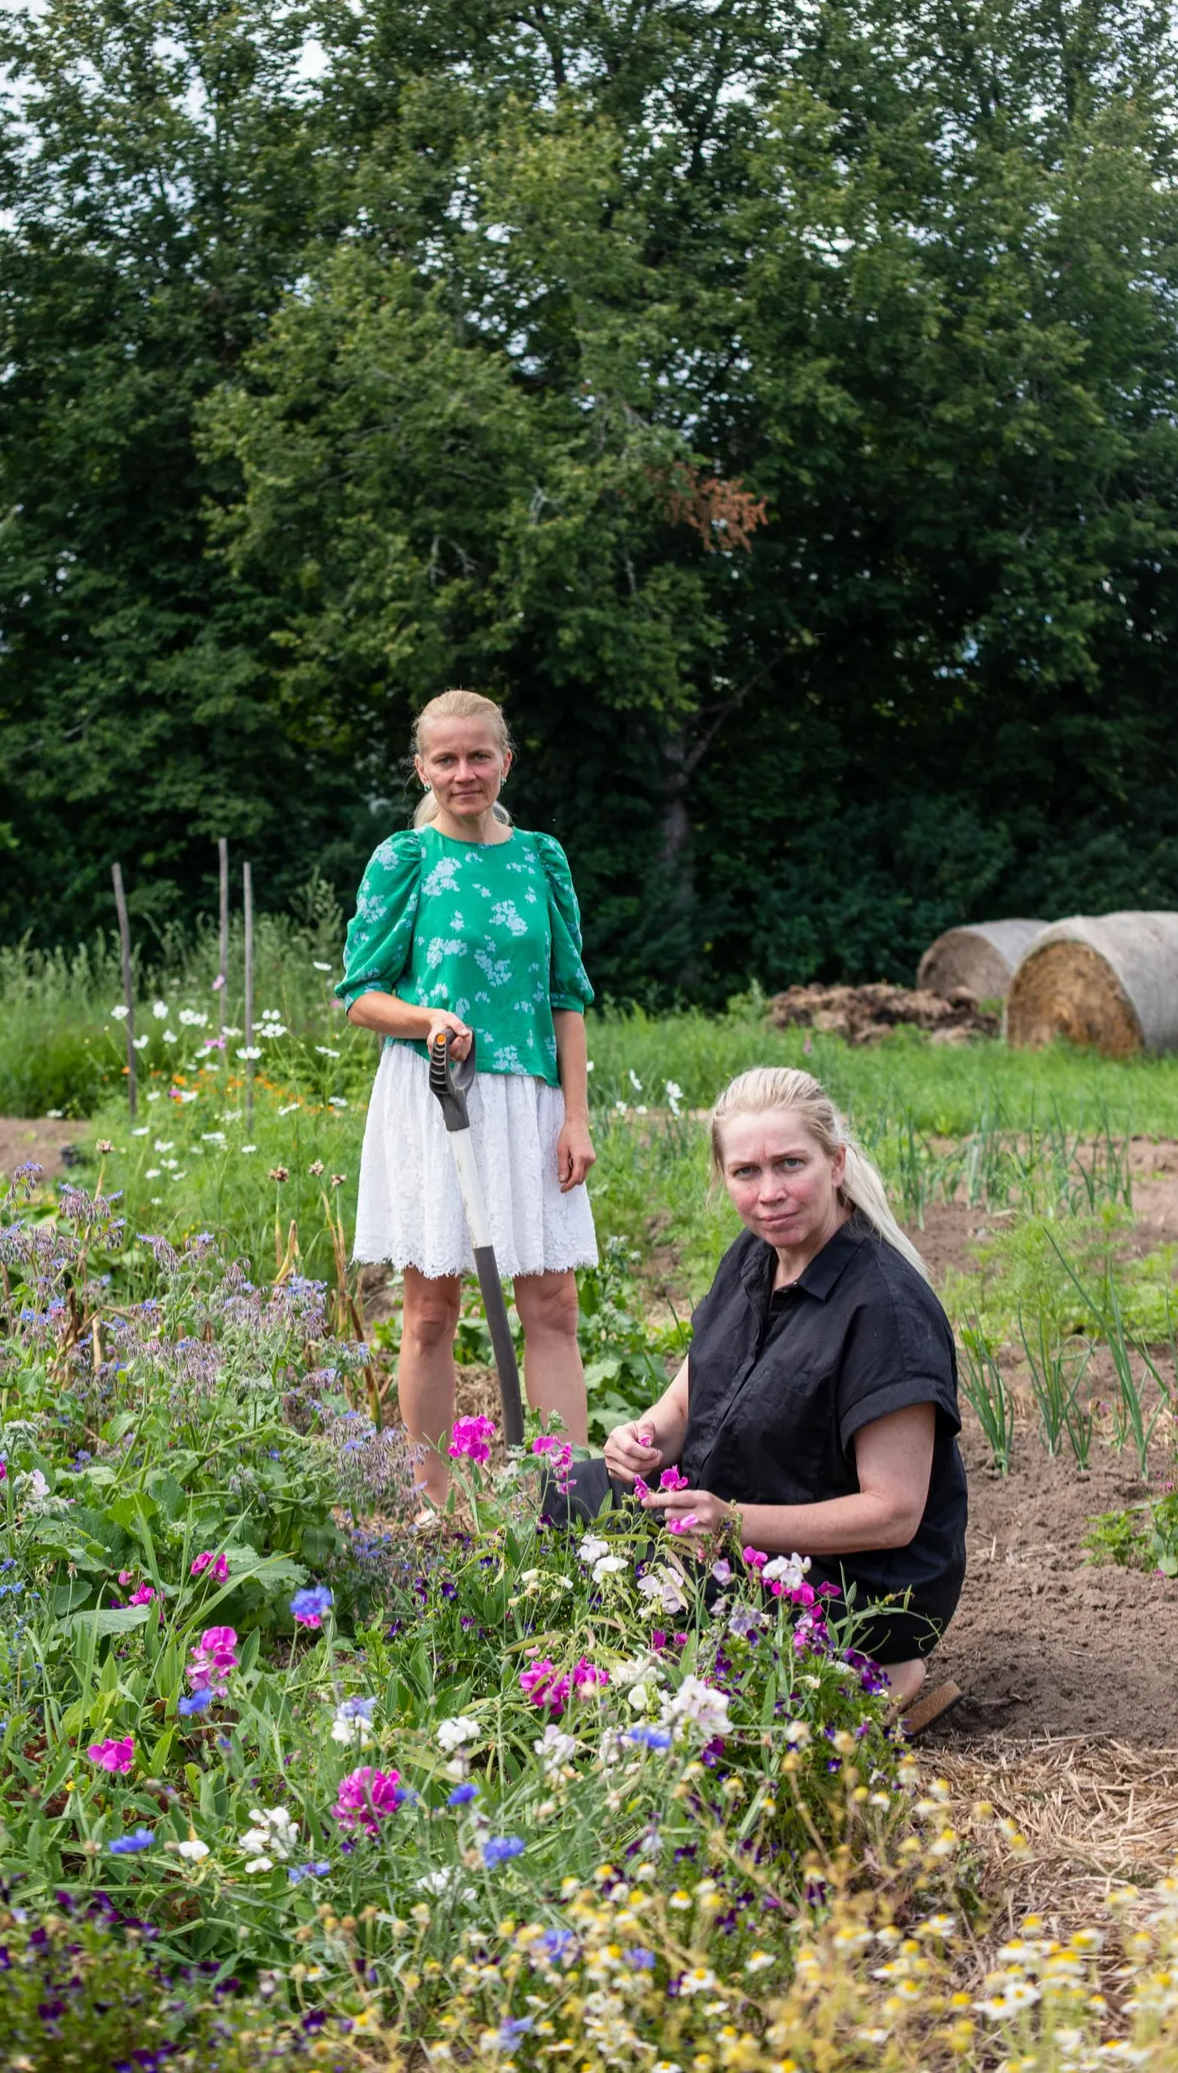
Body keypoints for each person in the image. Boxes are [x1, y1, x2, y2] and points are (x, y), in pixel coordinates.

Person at [599, 1065, 967, 1712]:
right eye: (746, 1172)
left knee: (657, 1594)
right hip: (735, 1525)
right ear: (724, 1177)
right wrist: (647, 1436)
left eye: (790, 1163)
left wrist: (735, 1524)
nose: (770, 1192)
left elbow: (894, 1511)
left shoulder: (884, 1308)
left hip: (856, 1579)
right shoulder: (753, 1256)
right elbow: (691, 1393)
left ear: (836, 1163)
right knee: (564, 1493)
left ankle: (879, 1667)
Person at [336, 688, 597, 1505]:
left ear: (505, 760)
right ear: (422, 767)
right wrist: (425, 1017)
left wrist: (577, 1116)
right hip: (437, 1096)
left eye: (478, 755)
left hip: (530, 1103)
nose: (463, 772)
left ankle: (564, 1501)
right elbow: (359, 993)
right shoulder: (404, 861)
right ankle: (433, 1504)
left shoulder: (541, 859)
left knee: (552, 1306)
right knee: (430, 1312)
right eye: (444, 759)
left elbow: (567, 993)